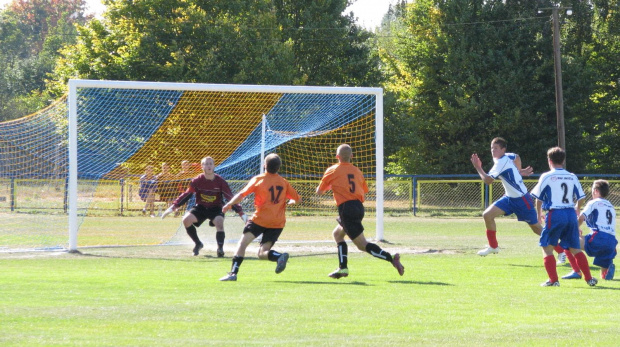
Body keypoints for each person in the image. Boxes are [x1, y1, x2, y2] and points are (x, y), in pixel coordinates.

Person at [317, 144, 404, 279]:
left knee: (362, 245)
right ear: (351, 156)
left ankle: (391, 258)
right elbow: (363, 190)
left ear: (337, 157)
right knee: (337, 234)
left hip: (346, 209)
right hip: (358, 207)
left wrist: (332, 185)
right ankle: (342, 267)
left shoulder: (332, 170)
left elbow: (319, 192)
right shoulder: (357, 171)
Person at [219, 153, 301, 281]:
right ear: (278, 168)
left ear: (264, 165)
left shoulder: (259, 179)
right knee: (263, 253)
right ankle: (278, 256)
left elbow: (241, 195)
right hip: (277, 223)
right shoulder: (284, 182)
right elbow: (297, 198)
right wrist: (292, 201)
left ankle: (233, 273)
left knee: (242, 244)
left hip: (260, 220)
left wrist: (229, 204)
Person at [531, 146, 597, 287]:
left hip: (555, 213)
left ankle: (554, 280)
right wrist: (577, 209)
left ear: (549, 160)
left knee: (547, 247)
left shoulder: (547, 176)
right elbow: (581, 197)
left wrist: (538, 214)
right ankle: (589, 278)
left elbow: (538, 197)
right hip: (570, 214)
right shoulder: (572, 176)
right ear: (563, 160)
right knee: (575, 248)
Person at [470, 137, 542, 256]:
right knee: (487, 215)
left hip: (522, 199)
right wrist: (519, 171)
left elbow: (488, 180)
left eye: (496, 148)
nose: (493, 151)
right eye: (492, 148)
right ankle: (493, 247)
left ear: (503, 150)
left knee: (536, 229)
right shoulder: (505, 156)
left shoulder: (500, 162)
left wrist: (478, 167)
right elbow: (516, 156)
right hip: (509, 198)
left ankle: (562, 250)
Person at [161, 156, 246, 257]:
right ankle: (198, 243)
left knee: (219, 222)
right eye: (206, 164)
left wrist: (241, 213)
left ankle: (220, 249)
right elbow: (187, 194)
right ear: (202, 166)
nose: (209, 166)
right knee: (186, 220)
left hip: (216, 208)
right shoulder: (197, 180)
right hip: (201, 207)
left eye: (211, 163)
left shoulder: (220, 181)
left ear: (214, 166)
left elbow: (230, 198)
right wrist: (173, 207)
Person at [561, 180, 617, 281]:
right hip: (612, 242)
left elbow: (581, 218)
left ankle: (576, 271)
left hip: (599, 238)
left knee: (567, 241)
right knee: (603, 277)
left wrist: (575, 229)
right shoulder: (610, 206)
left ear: (595, 190)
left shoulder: (593, 203)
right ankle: (607, 269)